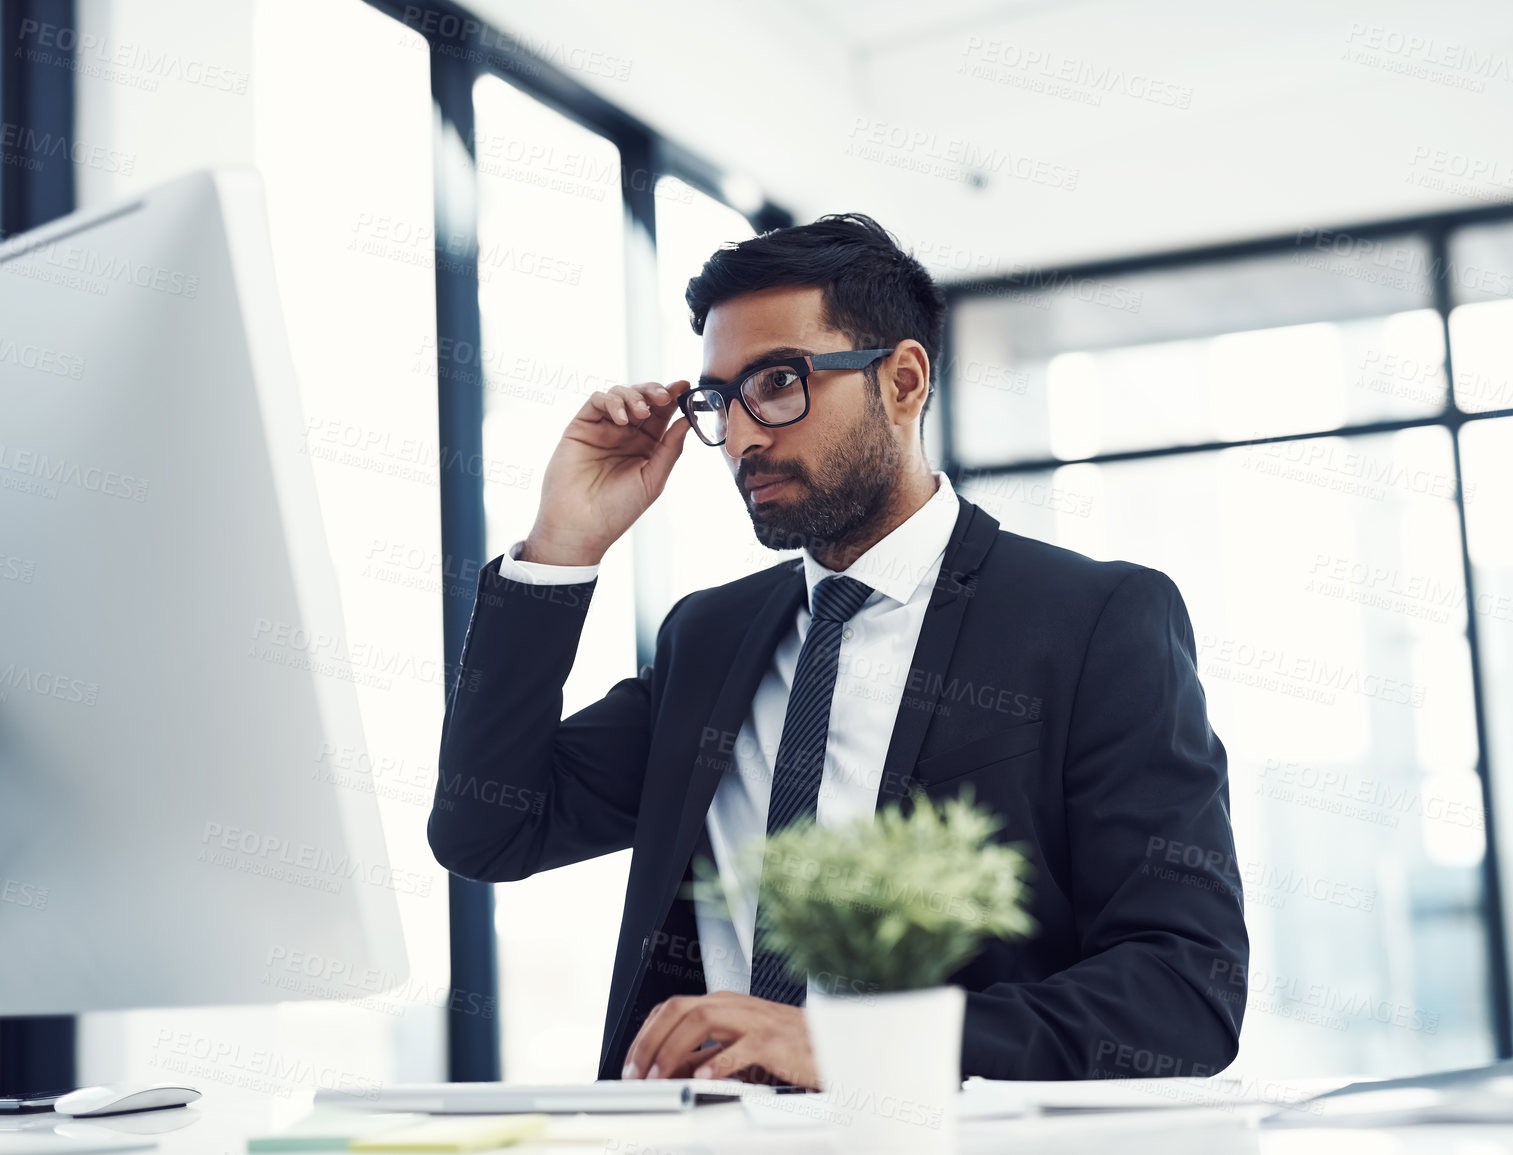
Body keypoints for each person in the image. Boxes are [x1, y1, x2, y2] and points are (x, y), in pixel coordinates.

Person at [429, 213, 1248, 1088]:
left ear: (901, 381)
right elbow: (489, 827)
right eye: (718, 401)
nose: (742, 437)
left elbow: (1182, 991)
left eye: (778, 382)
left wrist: (857, 1051)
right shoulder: (709, 638)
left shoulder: (1094, 620)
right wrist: (561, 546)